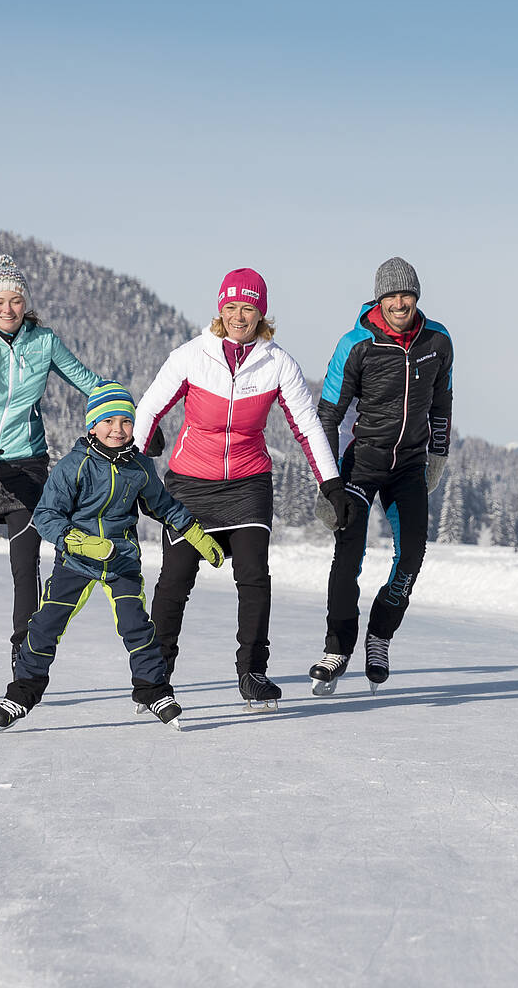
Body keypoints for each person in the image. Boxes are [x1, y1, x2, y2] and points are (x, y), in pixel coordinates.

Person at [133, 268, 346, 708]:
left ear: (261, 312)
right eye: (230, 306)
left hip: (248, 483)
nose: (238, 316)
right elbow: (149, 408)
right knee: (174, 581)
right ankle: (155, 676)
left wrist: (331, 483)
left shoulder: (277, 363)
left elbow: (307, 426)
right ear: (220, 310)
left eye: (247, 308)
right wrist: (134, 461)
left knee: (253, 576)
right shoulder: (191, 356)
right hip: (191, 485)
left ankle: (252, 672)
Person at [0, 382, 224, 732]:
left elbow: (163, 505)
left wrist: (194, 533)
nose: (118, 429)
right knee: (45, 625)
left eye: (125, 421)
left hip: (121, 560)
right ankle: (22, 693)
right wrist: (78, 541)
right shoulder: (74, 465)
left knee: (137, 626)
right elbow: (46, 515)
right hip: (75, 561)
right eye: (108, 421)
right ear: (92, 426)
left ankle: (153, 690)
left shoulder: (139, 466)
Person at [0, 255, 105, 692]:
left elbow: (92, 384)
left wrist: (130, 414)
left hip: (27, 465)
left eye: (15, 300)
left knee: (25, 568)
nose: (8, 309)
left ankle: (23, 650)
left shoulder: (44, 342)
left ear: (25, 303)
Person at [309, 256, 453, 694]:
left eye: (406, 294)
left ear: (417, 297)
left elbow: (442, 402)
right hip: (362, 464)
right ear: (378, 299)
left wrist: (437, 456)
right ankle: (337, 648)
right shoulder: (356, 344)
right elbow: (327, 416)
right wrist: (328, 483)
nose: (399, 303)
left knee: (411, 556)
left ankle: (380, 637)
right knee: (348, 555)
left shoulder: (438, 340)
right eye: (391, 296)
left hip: (408, 465)